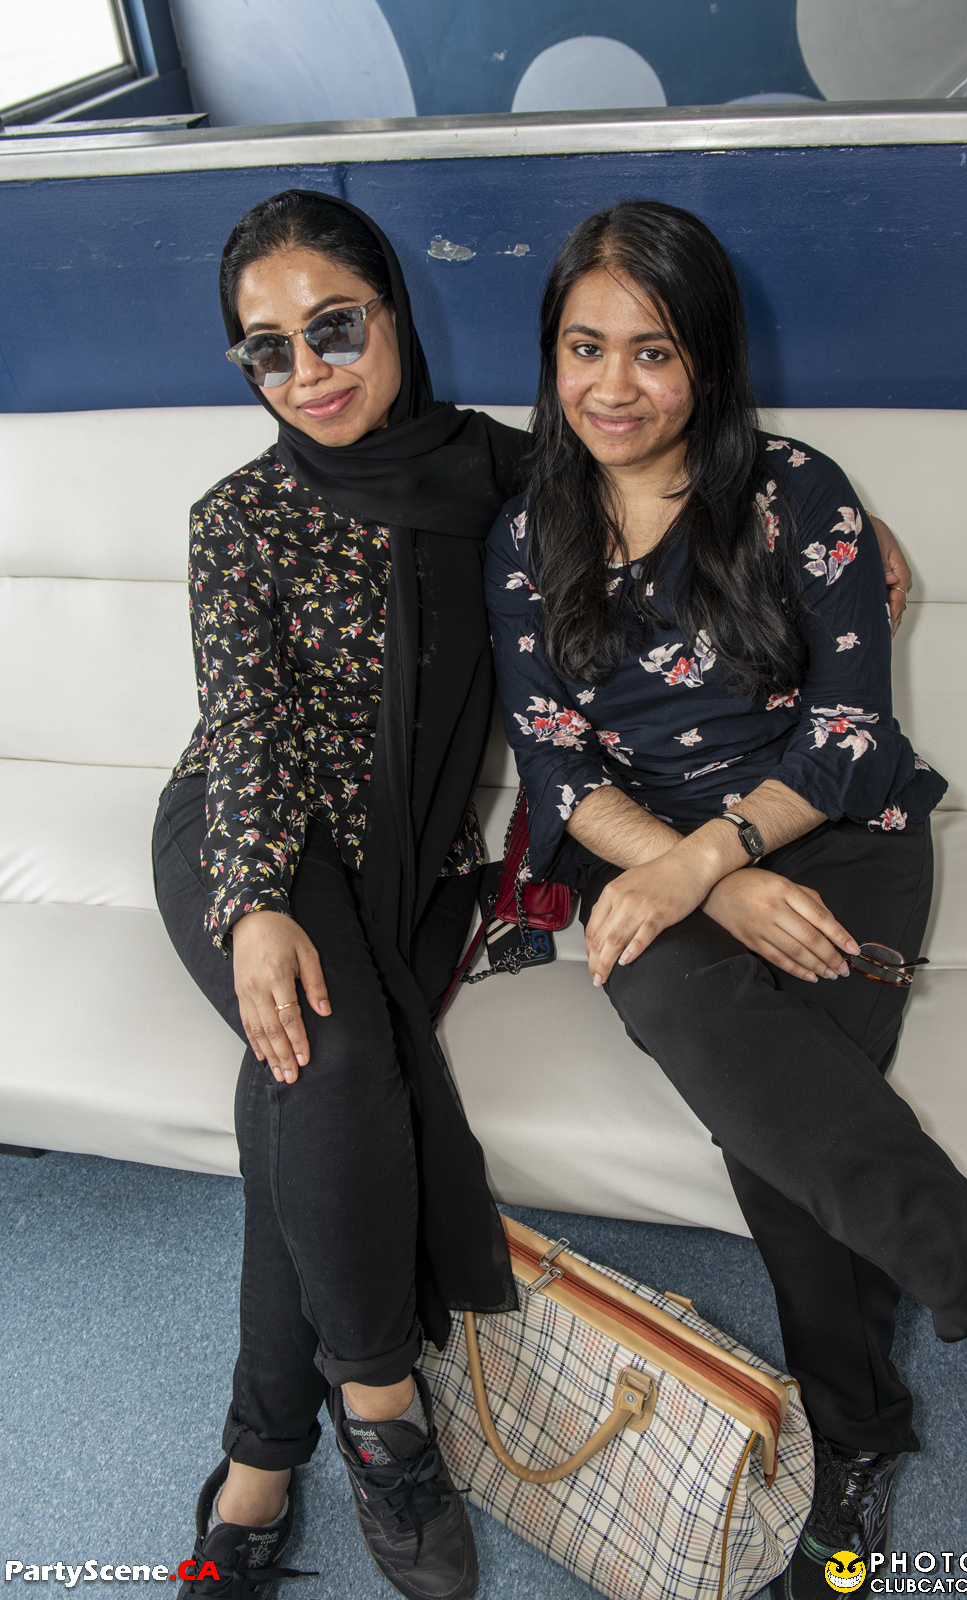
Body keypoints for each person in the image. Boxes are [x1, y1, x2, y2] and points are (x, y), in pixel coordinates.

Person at [485, 200, 967, 1597]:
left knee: (779, 1136)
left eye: (654, 352)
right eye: (584, 346)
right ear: (551, 353)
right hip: (641, 851)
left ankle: (856, 1438)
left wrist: (720, 862)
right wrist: (690, 872)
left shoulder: (798, 494)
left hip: (837, 832)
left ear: (709, 359)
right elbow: (557, 769)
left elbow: (852, 735)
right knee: (707, 1028)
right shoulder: (524, 536)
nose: (614, 387)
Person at [152, 189, 528, 1600]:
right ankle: (382, 1411)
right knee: (334, 1048)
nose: (306, 371)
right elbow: (245, 724)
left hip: (411, 863)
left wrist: (831, 521)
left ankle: (259, 1455)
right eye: (267, 349)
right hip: (247, 833)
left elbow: (676, 479)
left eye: (334, 328)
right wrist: (254, 900)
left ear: (394, 315)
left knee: (298, 1086)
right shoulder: (238, 517)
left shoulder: (501, 474)